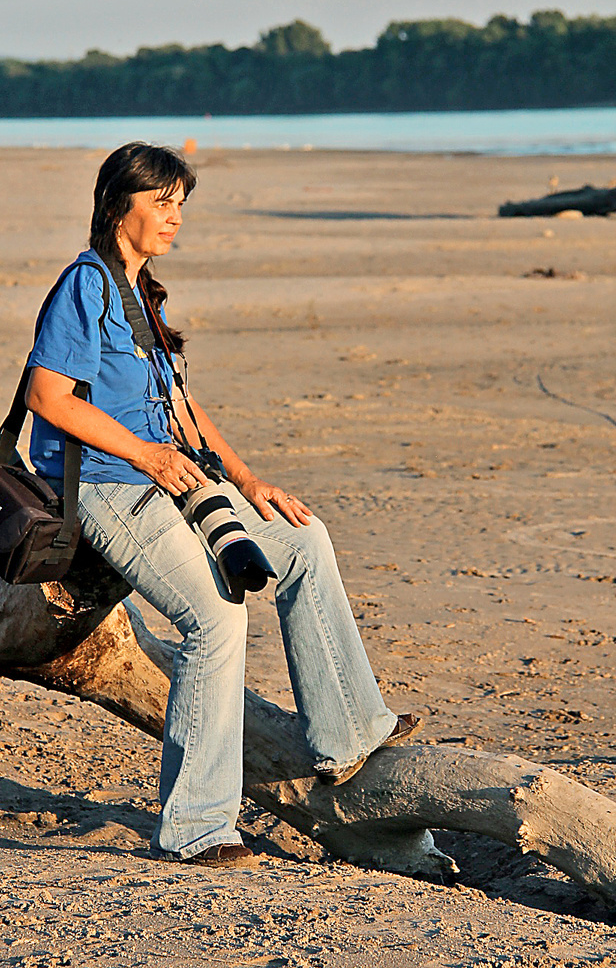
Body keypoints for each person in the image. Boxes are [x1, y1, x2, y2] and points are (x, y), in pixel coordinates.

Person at [25, 142, 420, 869]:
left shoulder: (141, 289)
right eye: (161, 202)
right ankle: (196, 828)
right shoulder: (86, 285)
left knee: (302, 539)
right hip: (111, 486)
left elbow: (180, 407)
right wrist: (145, 455)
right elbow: (46, 399)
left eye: (181, 203)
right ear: (119, 206)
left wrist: (247, 480)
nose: (175, 217)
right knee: (214, 616)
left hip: (174, 477)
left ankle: (347, 733)